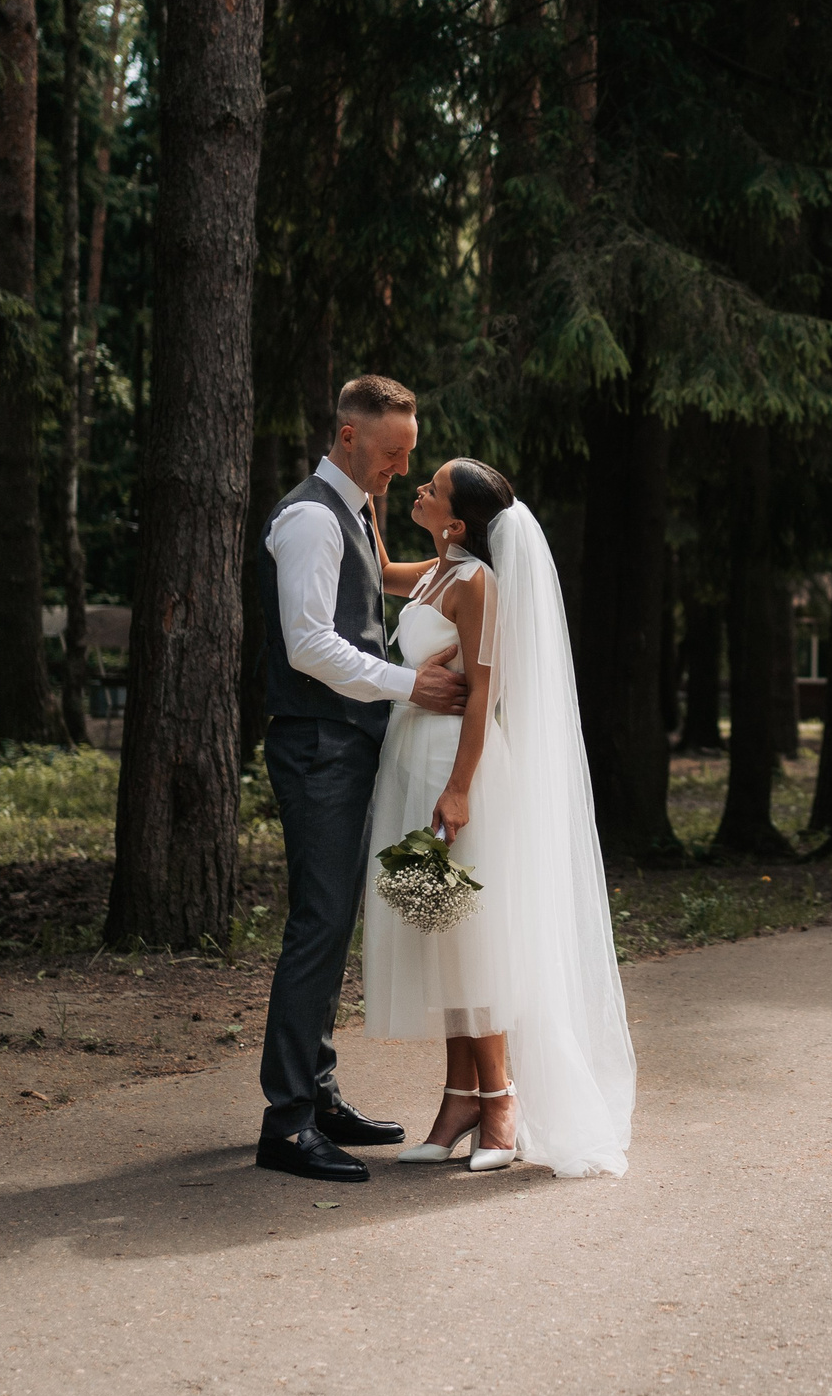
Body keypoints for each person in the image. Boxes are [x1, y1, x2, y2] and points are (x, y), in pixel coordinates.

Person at [362, 457, 637, 1177]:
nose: (419, 487)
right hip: (413, 759)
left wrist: (460, 788)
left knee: (471, 937)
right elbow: (380, 564)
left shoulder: (478, 584)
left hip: (459, 768)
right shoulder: (434, 571)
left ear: (456, 522)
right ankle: (459, 1099)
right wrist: (368, 492)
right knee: (441, 932)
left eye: (432, 488)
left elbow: (485, 692)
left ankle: (502, 1100)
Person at [254, 375, 469, 1184]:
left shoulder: (357, 509)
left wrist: (472, 560)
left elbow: (374, 585)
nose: (399, 468)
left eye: (409, 454)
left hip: (346, 744)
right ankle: (287, 1121)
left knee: (333, 919)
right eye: (390, 453)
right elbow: (309, 644)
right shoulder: (311, 516)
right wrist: (411, 683)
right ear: (348, 437)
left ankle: (318, 1088)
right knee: (317, 923)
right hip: (317, 746)